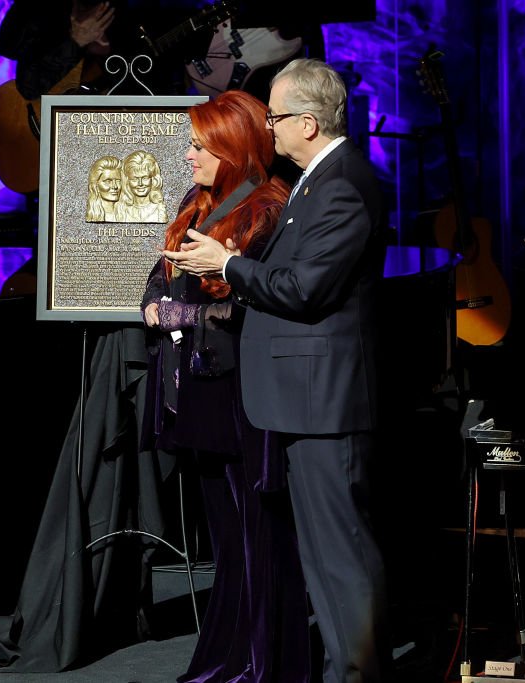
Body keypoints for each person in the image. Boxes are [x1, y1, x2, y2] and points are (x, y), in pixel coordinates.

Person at [171, 58, 389, 682]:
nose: (268, 127)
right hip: (300, 401)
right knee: (321, 558)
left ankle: (361, 674)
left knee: (341, 555)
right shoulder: (315, 180)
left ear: (310, 124)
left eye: (276, 116)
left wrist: (228, 263)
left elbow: (306, 288)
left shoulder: (343, 184)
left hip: (326, 405)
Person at [141, 90, 309, 683]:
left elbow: (253, 306)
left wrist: (178, 314)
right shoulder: (198, 200)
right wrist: (157, 305)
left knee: (255, 531)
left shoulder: (266, 208)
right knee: (225, 537)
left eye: (199, 145)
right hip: (197, 392)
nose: (188, 155)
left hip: (241, 393)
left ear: (232, 147)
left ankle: (263, 661)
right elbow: (156, 282)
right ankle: (229, 655)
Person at [121, 150, 167, 223]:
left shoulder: (160, 210)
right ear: (127, 181)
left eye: (145, 178)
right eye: (134, 179)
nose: (140, 184)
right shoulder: (120, 210)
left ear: (153, 180)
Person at [85, 155, 126, 222]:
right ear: (96, 185)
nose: (115, 186)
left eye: (118, 181)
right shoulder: (92, 214)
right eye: (108, 181)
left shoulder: (129, 214)